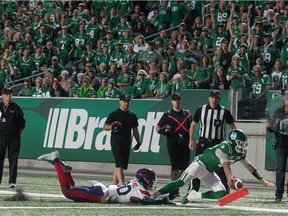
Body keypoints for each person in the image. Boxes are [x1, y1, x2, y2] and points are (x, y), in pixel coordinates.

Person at [154, 129, 275, 204]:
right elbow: (225, 164)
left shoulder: (239, 152)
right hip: (199, 165)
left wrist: (262, 180)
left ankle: (195, 195)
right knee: (180, 183)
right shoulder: (225, 147)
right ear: (233, 142)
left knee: (221, 193)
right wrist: (229, 177)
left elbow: (249, 166)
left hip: (209, 171)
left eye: (244, 144)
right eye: (240, 144)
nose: (242, 146)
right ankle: (155, 195)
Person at [37, 151, 173, 205]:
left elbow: (147, 197)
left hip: (104, 190)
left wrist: (163, 197)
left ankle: (66, 171)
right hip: (102, 194)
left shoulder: (135, 184)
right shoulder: (140, 192)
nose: (152, 182)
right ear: (144, 179)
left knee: (71, 190)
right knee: (67, 191)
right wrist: (163, 200)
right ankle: (55, 161)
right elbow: (143, 200)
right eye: (151, 180)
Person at [189, 89, 236, 193]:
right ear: (209, 98)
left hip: (217, 143)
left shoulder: (224, 111)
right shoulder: (201, 109)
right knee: (196, 166)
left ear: (219, 99)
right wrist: (191, 140)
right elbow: (193, 124)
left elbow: (233, 126)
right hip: (203, 142)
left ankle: (225, 190)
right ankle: (192, 190)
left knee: (221, 167)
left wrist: (233, 141)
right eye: (212, 97)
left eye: (216, 97)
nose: (214, 99)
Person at [156, 93, 192, 200]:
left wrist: (188, 136)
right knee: (175, 166)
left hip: (184, 142)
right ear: (171, 102)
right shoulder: (167, 114)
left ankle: (177, 186)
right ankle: (174, 189)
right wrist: (164, 131)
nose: (176, 102)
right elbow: (157, 128)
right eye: (174, 100)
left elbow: (191, 127)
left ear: (181, 101)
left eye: (178, 100)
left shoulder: (187, 114)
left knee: (184, 167)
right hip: (173, 142)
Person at [103, 93, 141, 185]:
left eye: (128, 101)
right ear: (120, 102)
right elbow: (105, 126)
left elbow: (135, 130)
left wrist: (138, 141)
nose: (126, 103)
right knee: (119, 164)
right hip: (116, 142)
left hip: (127, 142)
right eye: (124, 101)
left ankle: (113, 187)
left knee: (120, 166)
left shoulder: (132, 115)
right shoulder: (114, 114)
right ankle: (122, 185)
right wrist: (112, 127)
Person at [0, 88, 26, 188]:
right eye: (6, 94)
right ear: (2, 96)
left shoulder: (16, 108)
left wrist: (19, 135)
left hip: (14, 137)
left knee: (13, 160)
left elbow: (22, 124)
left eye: (10, 94)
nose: (9, 96)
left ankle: (12, 181)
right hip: (1, 136)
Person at [267, 93, 288, 202]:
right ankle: (278, 195)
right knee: (280, 170)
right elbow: (272, 128)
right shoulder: (277, 113)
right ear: (284, 101)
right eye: (287, 100)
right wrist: (268, 127)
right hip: (280, 145)